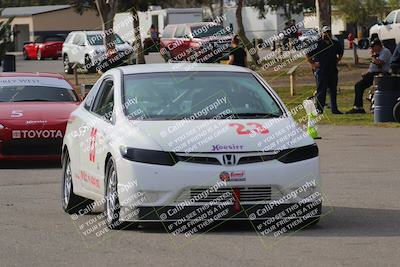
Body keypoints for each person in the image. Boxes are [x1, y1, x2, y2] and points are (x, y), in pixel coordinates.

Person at [346, 38, 392, 114]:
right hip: (373, 73)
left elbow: (379, 63)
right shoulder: (377, 53)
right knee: (358, 86)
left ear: (378, 46)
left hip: (381, 74)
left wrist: (373, 56)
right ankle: (358, 107)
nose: (372, 48)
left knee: (358, 86)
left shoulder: (385, 51)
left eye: (373, 46)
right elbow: (373, 65)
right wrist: (367, 72)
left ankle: (358, 107)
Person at [306, 26, 344, 114]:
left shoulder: (334, 43)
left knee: (333, 90)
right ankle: (319, 109)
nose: (327, 34)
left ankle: (334, 109)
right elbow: (308, 54)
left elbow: (341, 52)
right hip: (321, 71)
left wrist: (337, 60)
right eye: (325, 32)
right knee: (321, 91)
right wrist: (313, 63)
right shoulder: (317, 44)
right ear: (322, 33)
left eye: (329, 32)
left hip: (332, 70)